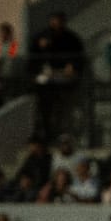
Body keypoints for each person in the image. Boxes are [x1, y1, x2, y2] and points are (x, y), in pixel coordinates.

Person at [27, 11, 86, 143]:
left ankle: (62, 134)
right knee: (45, 111)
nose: (56, 24)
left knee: (64, 110)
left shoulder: (71, 38)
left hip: (65, 84)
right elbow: (33, 60)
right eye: (54, 21)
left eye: (59, 21)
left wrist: (72, 67)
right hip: (46, 84)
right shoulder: (41, 37)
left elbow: (79, 58)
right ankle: (47, 134)